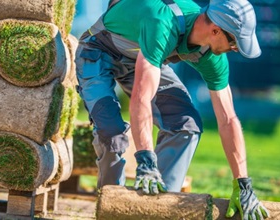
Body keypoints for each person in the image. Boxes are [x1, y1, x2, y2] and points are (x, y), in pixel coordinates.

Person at [74, 0, 269, 219]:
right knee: (112, 134)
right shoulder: (163, 22)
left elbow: (228, 119)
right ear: (215, 30)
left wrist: (243, 184)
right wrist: (146, 160)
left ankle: (155, 209)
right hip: (97, 52)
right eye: (234, 43)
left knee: (186, 125)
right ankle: (114, 210)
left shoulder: (212, 57)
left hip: (143, 57)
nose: (235, 49)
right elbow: (142, 98)